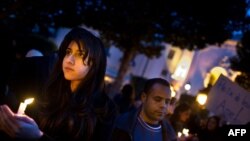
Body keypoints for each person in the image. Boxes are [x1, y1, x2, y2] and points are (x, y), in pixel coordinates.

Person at [0, 27, 117, 141]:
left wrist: (38, 137)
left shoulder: (105, 109)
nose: (69, 60)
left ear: (95, 64)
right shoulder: (50, 90)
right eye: (68, 52)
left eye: (80, 54)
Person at [111, 78, 177, 141]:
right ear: (144, 97)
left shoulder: (170, 134)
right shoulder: (121, 124)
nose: (163, 105)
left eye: (167, 101)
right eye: (157, 99)